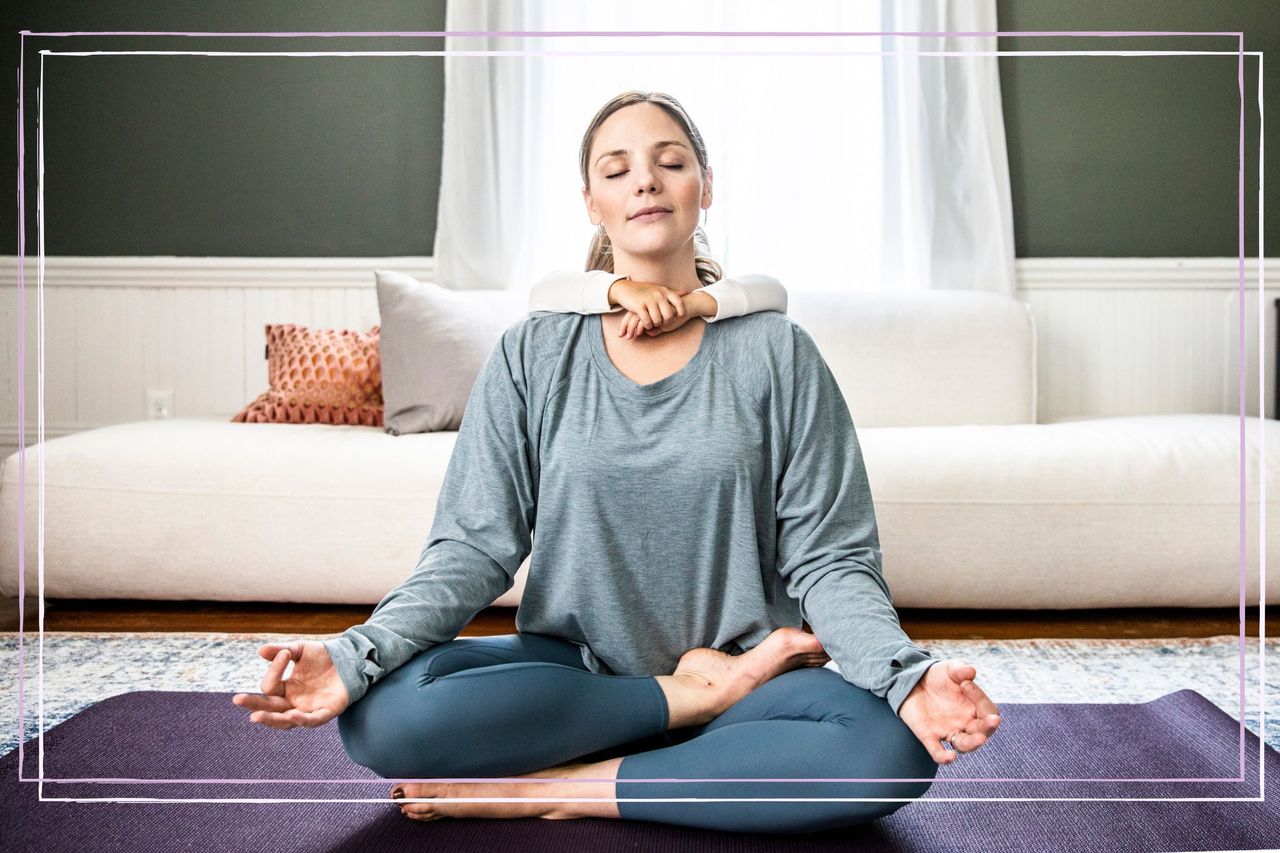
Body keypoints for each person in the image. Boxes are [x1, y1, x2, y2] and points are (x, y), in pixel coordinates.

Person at [233, 90, 1002, 835]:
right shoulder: (535, 350)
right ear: (591, 202)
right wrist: (354, 652)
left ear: (705, 188)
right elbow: (471, 546)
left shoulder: (779, 353)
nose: (645, 179)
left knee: (889, 752)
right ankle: (685, 709)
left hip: (753, 681)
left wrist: (904, 674)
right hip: (577, 678)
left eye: (670, 161)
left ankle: (560, 790)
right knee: (382, 716)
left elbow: (832, 559)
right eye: (617, 167)